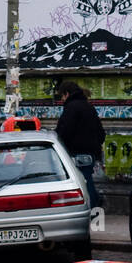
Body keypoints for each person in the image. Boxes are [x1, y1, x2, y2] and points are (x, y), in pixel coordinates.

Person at [55, 80, 106, 208]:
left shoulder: (71, 108)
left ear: (66, 94)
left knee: (83, 181)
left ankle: (92, 208)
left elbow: (64, 131)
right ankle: (94, 205)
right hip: (90, 152)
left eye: (61, 96)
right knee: (87, 179)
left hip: (77, 152)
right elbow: (100, 132)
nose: (61, 100)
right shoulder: (88, 106)